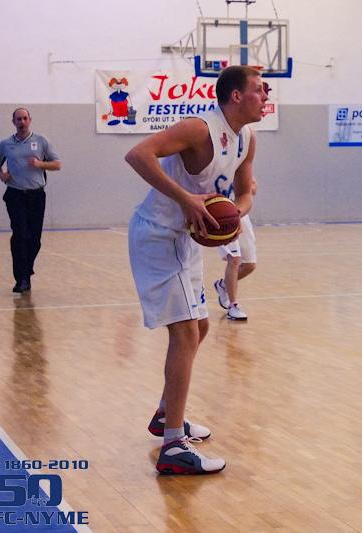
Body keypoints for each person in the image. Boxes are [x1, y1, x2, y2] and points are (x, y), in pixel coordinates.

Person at [125, 65, 266, 475]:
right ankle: (173, 446)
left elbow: (244, 192)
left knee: (200, 327)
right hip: (157, 234)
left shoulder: (246, 138)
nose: (265, 96)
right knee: (185, 332)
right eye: (259, 90)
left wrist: (233, 214)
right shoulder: (199, 128)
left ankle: (165, 414)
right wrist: (186, 198)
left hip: (185, 239)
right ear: (236, 96)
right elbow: (137, 154)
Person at [0, 108, 61, 293]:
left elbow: (57, 164)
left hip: (36, 196)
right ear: (13, 122)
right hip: (15, 195)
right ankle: (22, 279)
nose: (21, 122)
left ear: (30, 120)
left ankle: (26, 270)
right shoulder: (6, 144)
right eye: (18, 119)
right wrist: (1, 175)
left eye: (24, 118)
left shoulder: (41, 141)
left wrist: (40, 164)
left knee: (34, 239)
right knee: (20, 235)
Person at [214, 176, 258, 320]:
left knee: (250, 265)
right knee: (234, 259)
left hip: (240, 215)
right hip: (220, 215)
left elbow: (253, 189)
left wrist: (245, 186)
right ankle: (233, 306)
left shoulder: (239, 166)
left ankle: (223, 285)